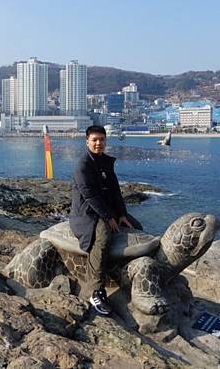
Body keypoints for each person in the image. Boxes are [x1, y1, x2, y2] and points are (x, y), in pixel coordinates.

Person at [69, 125, 133, 315]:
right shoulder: (83, 165)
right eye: (94, 140)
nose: (98, 143)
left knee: (135, 227)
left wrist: (121, 214)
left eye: (102, 140)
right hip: (86, 213)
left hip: (107, 209)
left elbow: (115, 191)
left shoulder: (106, 162)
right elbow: (88, 195)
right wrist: (108, 217)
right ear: (87, 141)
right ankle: (95, 290)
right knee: (102, 239)